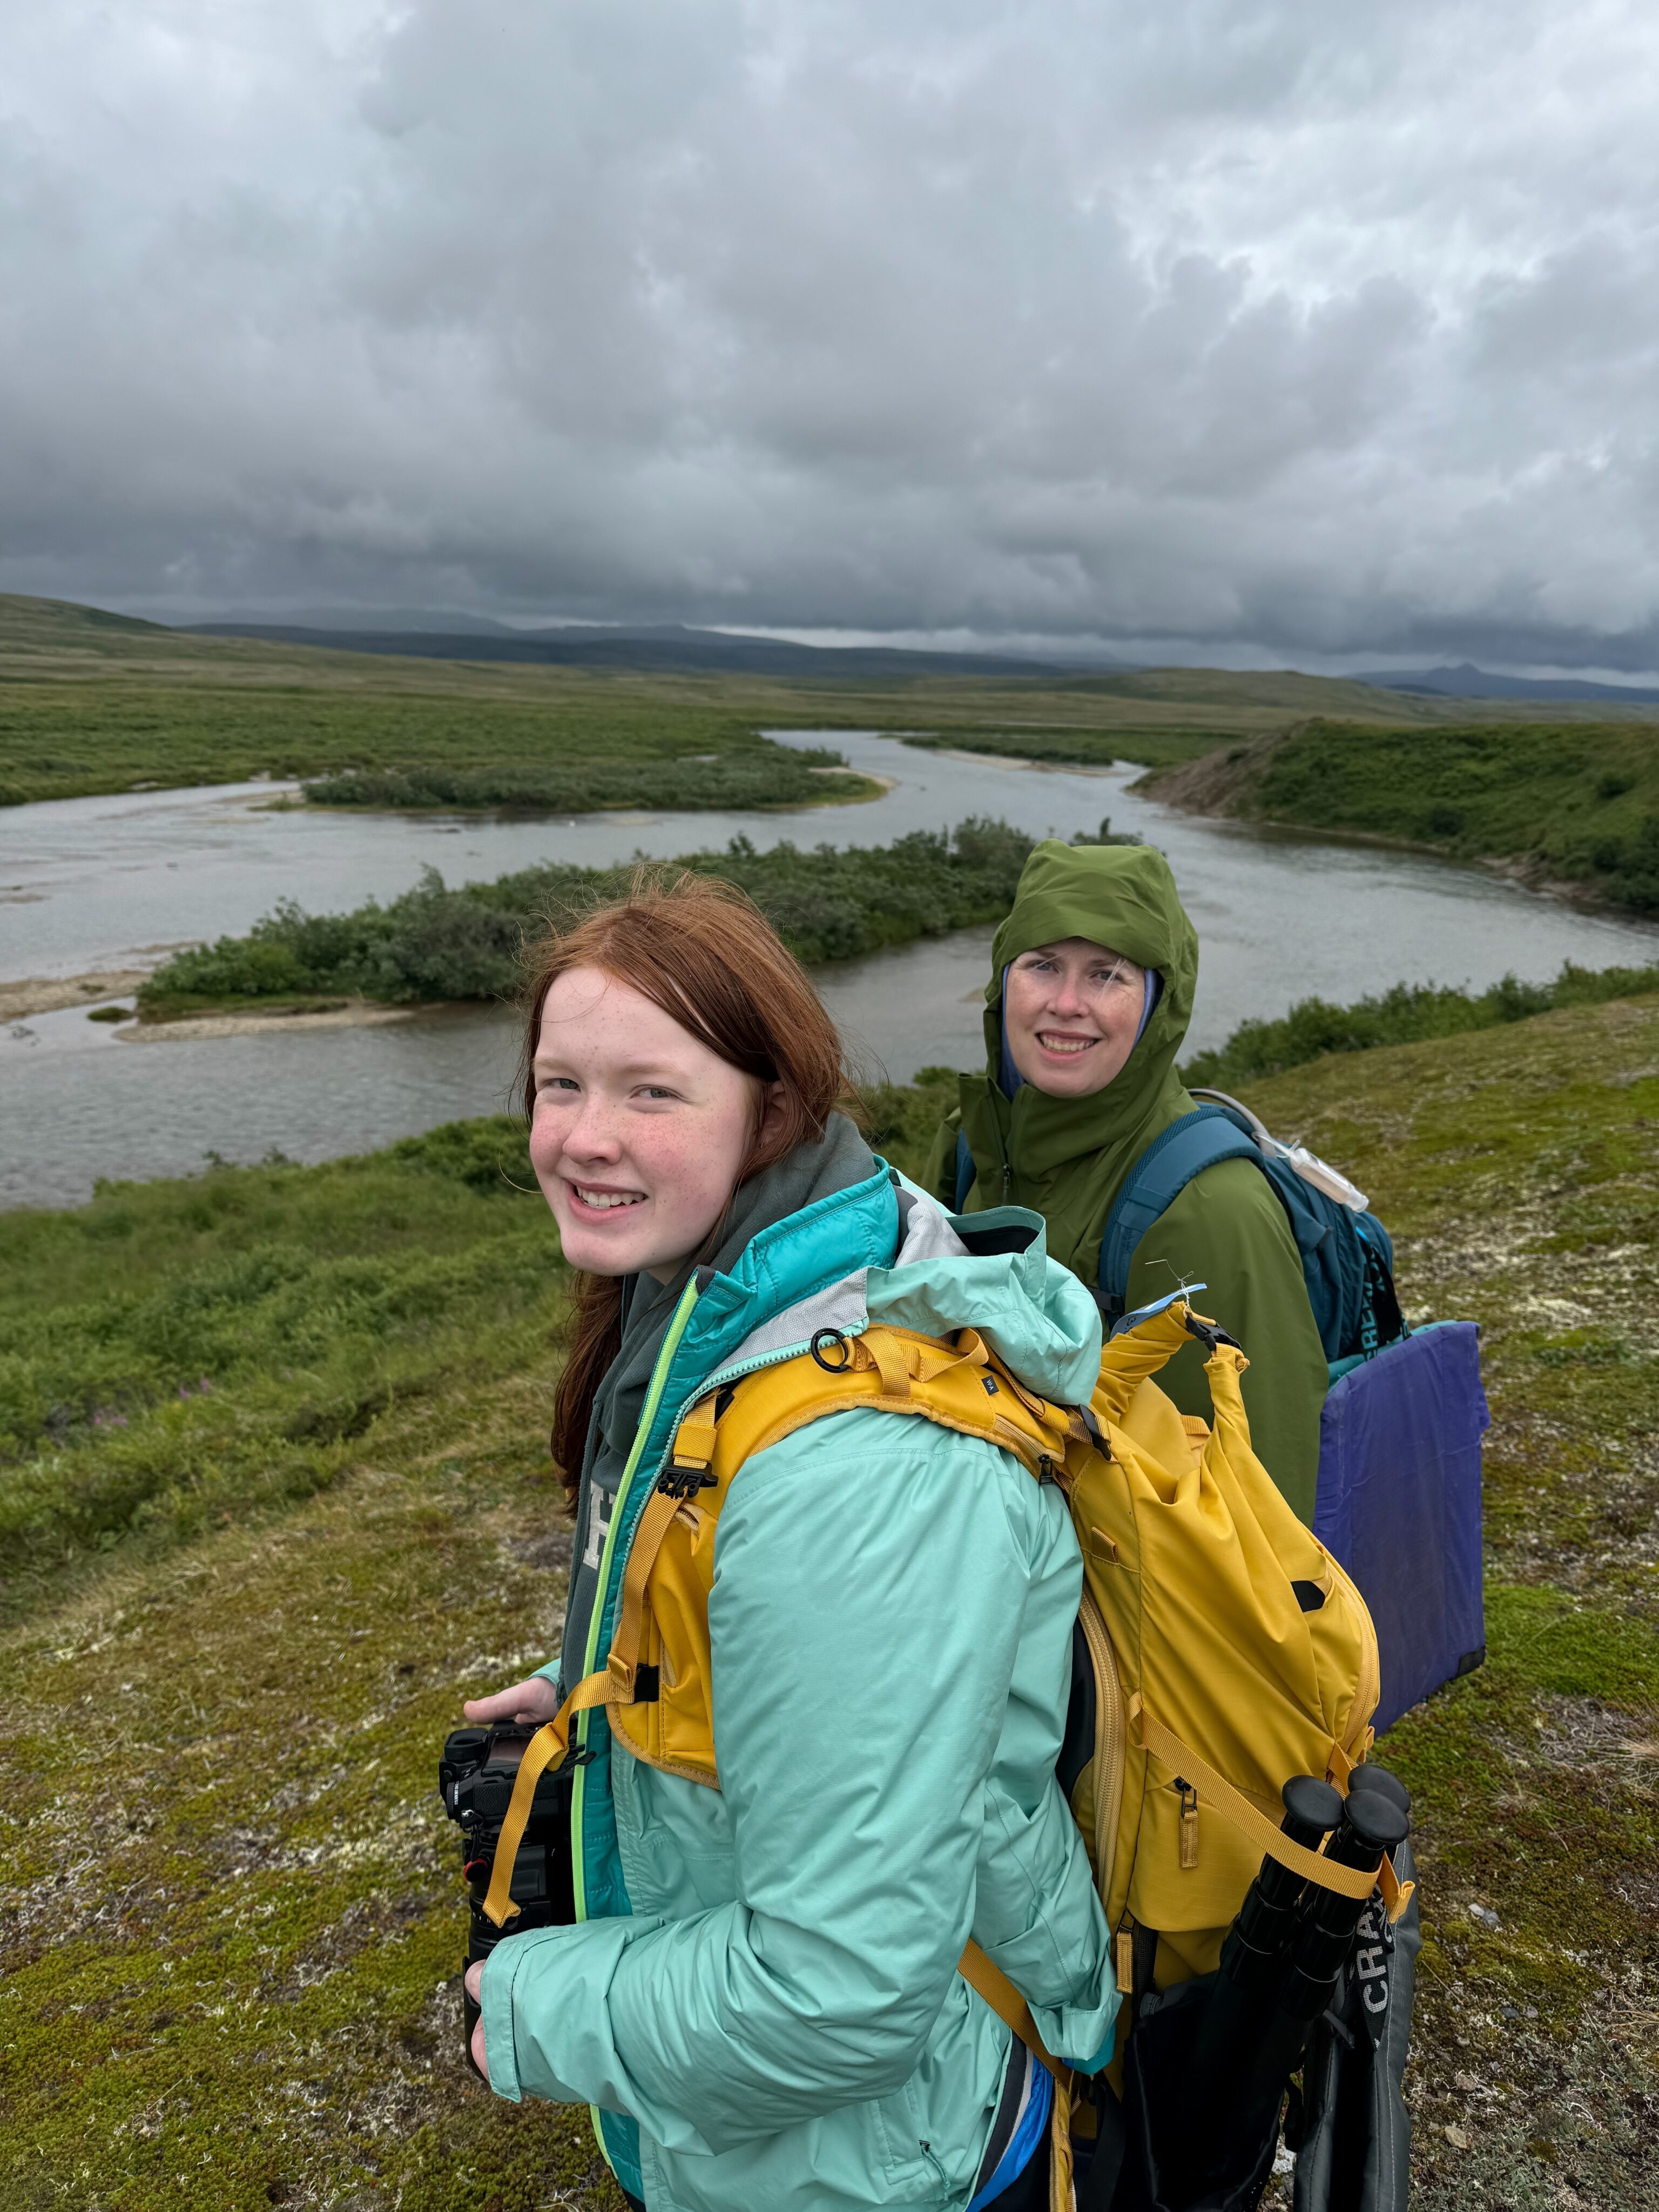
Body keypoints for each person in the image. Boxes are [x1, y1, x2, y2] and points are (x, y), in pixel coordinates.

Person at [462, 872, 1117, 2212]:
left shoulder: (856, 1472)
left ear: (772, 1106)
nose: (585, 1137)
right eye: (558, 1085)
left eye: (653, 1092)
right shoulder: (759, 1282)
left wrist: (522, 2004)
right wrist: (609, 1681)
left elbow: (841, 1995)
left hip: (890, 2150)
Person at [923, 839, 1329, 1523]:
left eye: (1107, 975)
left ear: (1157, 1006)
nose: (1066, 1002)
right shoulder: (969, 1145)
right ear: (1003, 982)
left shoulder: (1207, 1208)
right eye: (1043, 965)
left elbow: (1257, 1512)